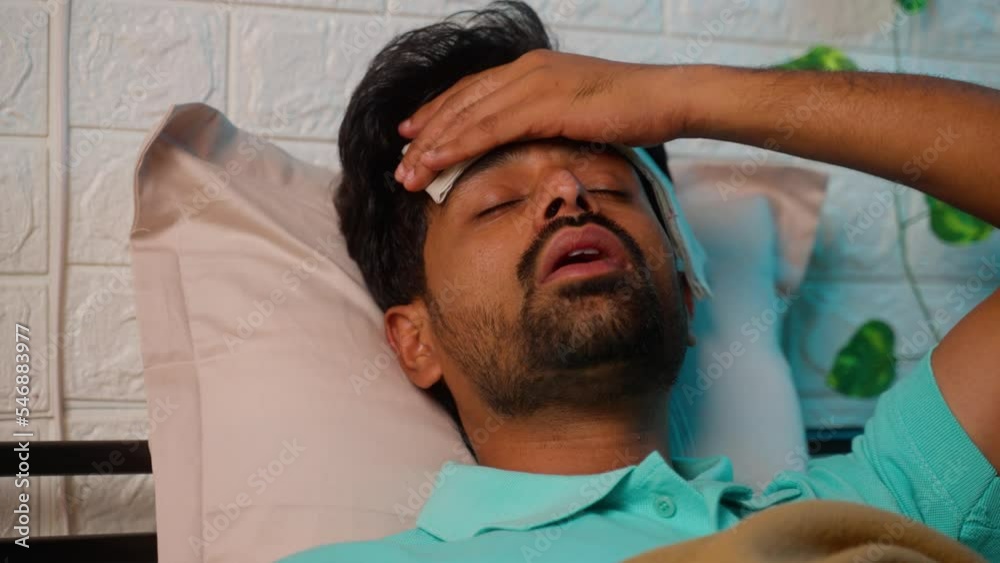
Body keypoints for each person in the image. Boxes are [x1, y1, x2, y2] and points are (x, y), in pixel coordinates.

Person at [283, 2, 1000, 561]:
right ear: (416, 341)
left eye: (609, 185)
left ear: (685, 295)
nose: (567, 193)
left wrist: (680, 95)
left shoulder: (867, 510)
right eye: (498, 201)